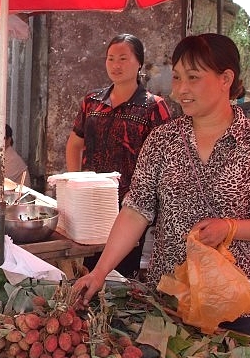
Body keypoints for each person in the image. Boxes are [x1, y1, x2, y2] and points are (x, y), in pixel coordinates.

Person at [73, 33, 250, 340]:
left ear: (226, 79)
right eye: (177, 78)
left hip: (237, 305)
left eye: (193, 78)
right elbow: (135, 212)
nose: (181, 90)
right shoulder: (163, 140)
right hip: (172, 302)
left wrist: (231, 228)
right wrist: (99, 272)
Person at [65, 34, 171, 277]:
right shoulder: (91, 102)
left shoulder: (154, 106)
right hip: (90, 199)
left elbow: (166, 158)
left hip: (131, 205)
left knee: (121, 272)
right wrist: (74, 183)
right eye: (111, 58)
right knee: (85, 264)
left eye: (123, 58)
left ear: (139, 63)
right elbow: (74, 145)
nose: (116, 65)